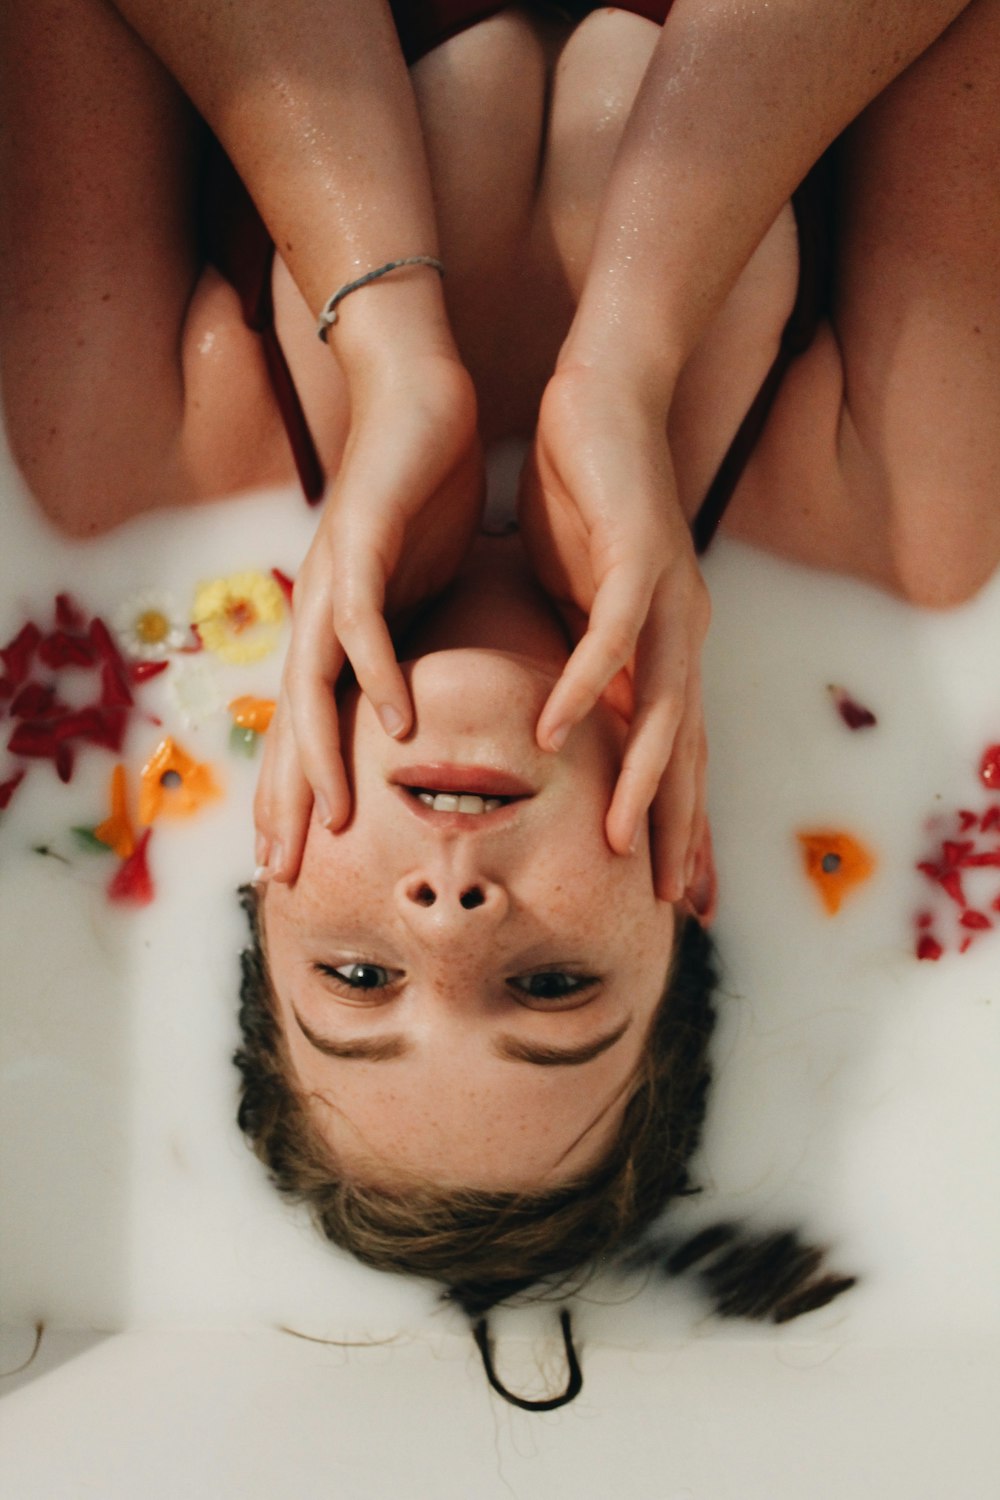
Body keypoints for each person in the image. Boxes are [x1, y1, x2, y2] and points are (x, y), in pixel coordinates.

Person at [3, 0, 998, 1402]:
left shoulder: (134, 453)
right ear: (685, 877)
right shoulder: (894, 517)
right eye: (551, 987)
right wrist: (628, 358)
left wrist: (394, 354)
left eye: (358, 982)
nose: (449, 921)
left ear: (268, 870)